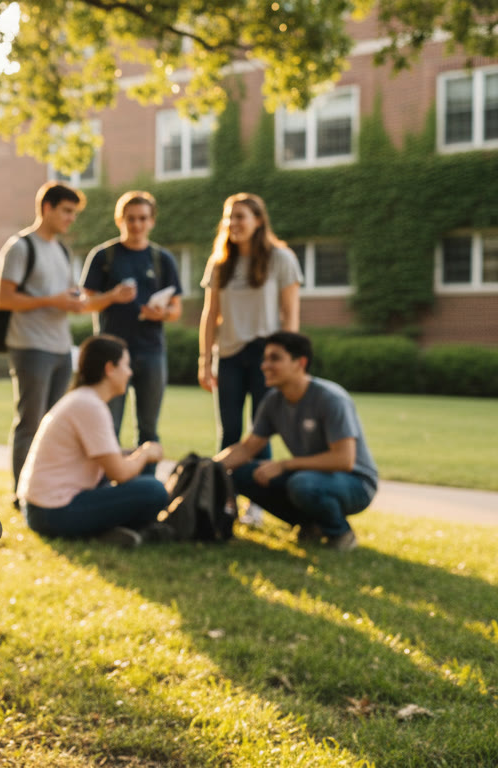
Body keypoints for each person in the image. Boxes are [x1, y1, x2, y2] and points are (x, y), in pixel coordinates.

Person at [215, 332, 377, 551]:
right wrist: (209, 467)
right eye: (265, 359)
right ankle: (310, 524)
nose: (264, 366)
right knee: (243, 474)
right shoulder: (273, 401)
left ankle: (340, 534)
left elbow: (344, 460)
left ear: (300, 363)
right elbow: (247, 448)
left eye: (275, 358)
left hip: (355, 482)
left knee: (301, 484)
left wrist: (284, 465)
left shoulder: (330, 399)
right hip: (309, 475)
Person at [198, 193, 302, 526]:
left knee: (260, 431)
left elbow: (290, 316)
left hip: (265, 357)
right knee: (228, 431)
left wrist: (287, 362)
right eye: (229, 217)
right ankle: (225, 500)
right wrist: (204, 360)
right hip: (228, 355)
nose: (233, 223)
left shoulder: (280, 259)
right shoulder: (219, 262)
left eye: (241, 216)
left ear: (258, 220)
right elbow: (209, 314)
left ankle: (258, 503)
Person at [17, 334, 172, 549]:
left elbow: (110, 460)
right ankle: (110, 529)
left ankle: (112, 529)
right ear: (109, 368)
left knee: (144, 467)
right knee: (154, 490)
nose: (130, 372)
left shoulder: (84, 399)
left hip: (41, 507)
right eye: (126, 365)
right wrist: (145, 452)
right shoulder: (90, 406)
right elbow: (119, 473)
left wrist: (141, 454)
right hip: (51, 512)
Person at [0, 181, 88, 495]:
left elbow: (66, 295)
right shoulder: (21, 246)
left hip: (61, 348)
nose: (71, 218)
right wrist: (52, 301)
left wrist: (74, 301)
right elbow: (3, 299)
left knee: (53, 428)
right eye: (66, 211)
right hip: (30, 347)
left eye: (74, 212)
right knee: (30, 424)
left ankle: (45, 489)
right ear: (47, 208)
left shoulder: (62, 250)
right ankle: (22, 494)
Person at [80, 190, 183, 455]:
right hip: (111, 355)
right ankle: (106, 486)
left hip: (151, 351)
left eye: (142, 218)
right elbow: (85, 304)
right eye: (130, 219)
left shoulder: (162, 259)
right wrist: (113, 296)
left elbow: (176, 309)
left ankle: (147, 489)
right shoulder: (104, 256)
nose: (136, 224)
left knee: (148, 428)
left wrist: (162, 314)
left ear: (151, 221)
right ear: (119, 220)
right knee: (107, 426)